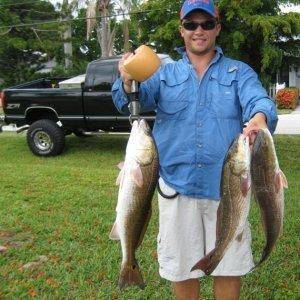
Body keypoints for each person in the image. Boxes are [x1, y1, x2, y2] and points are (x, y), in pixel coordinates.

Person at [111, 0, 278, 299]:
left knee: (229, 267)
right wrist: (126, 80)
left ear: (217, 28)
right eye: (191, 24)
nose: (198, 30)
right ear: (181, 30)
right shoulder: (162, 74)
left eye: (206, 24)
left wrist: (259, 118)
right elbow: (127, 101)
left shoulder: (238, 72)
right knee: (183, 269)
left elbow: (259, 101)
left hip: (228, 190)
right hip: (177, 190)